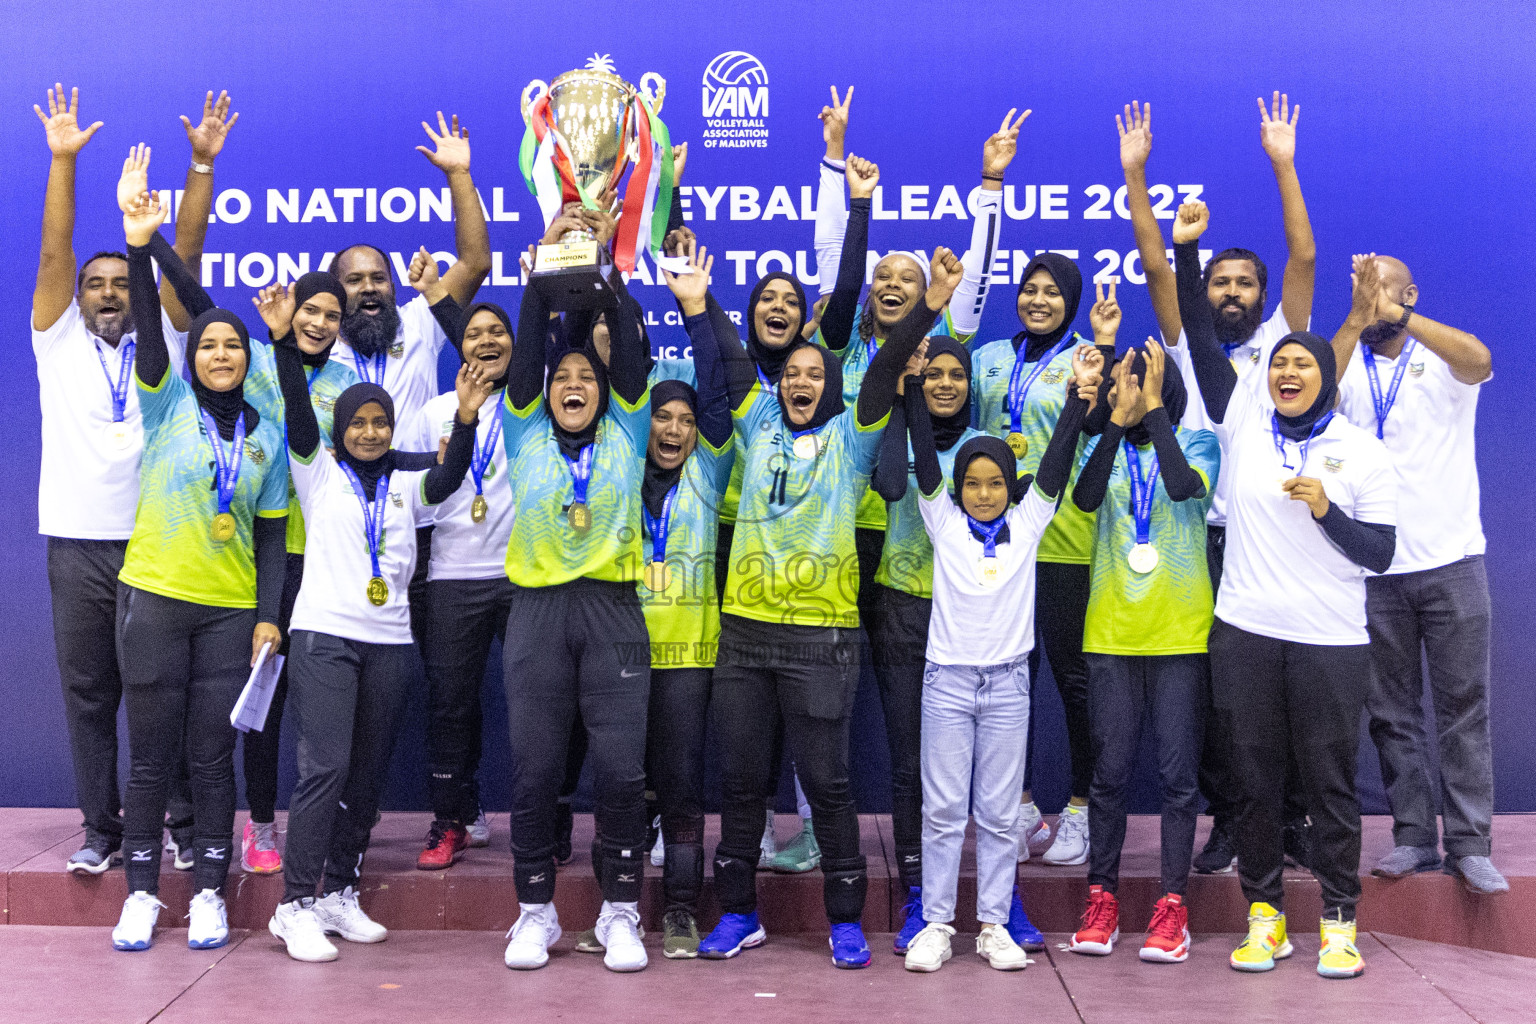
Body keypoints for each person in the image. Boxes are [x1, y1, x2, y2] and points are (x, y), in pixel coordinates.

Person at [696, 219, 965, 969]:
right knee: (743, 783)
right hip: (745, 633)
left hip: (823, 636)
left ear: (833, 385)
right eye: (793, 374)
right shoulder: (754, 419)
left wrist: (931, 306)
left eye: (815, 374)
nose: (801, 382)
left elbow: (881, 379)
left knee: (829, 781)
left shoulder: (854, 435)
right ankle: (740, 913)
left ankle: (844, 919)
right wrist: (697, 300)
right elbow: (725, 349)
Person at [1174, 200, 1397, 980]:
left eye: (1303, 363)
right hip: (1246, 632)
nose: (1289, 372)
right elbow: (1201, 336)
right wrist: (1186, 252)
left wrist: (1327, 510)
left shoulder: (1362, 455)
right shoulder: (1239, 417)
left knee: (1331, 788)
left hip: (1331, 641)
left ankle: (1339, 920)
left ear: (1324, 376)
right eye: (1279, 365)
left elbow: (1380, 552)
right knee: (1253, 786)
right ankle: (1263, 916)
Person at [803, 107, 1023, 876]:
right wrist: (836, 163)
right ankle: (804, 823)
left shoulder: (940, 348)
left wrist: (990, 185)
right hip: (834, 538)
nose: (897, 285)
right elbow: (837, 258)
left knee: (913, 713)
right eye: (885, 279)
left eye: (912, 279)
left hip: (904, 545)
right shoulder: (836, 343)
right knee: (816, 687)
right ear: (869, 296)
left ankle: (946, 854)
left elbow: (975, 277)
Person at [1117, 96, 1318, 874]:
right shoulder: (1181, 334)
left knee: (1288, 686)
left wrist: (1282, 162)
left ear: (1261, 296)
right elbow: (1155, 257)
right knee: (1210, 697)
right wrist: (1136, 175)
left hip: (1276, 533)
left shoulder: (1283, 343)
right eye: (1221, 282)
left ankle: (1290, 820)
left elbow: (1302, 257)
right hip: (1196, 536)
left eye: (1243, 283)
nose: (1230, 292)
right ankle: (1229, 821)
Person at [31, 85, 228, 876]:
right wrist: (63, 161)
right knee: (90, 696)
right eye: (98, 284)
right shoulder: (55, 338)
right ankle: (98, 830)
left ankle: (178, 822)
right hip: (77, 545)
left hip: (158, 545)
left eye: (121, 283)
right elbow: (55, 248)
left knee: (161, 693)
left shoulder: (167, 346)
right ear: (77, 297)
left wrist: (202, 167)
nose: (111, 293)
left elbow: (183, 254)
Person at [263, 305, 490, 963]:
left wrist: (468, 417)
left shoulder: (409, 480)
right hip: (326, 637)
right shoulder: (317, 470)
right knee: (324, 769)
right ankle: (294, 905)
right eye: (358, 422)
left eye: (380, 422)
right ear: (340, 430)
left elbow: (448, 478)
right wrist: (281, 343)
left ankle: (340, 892)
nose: (369, 431)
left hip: (390, 643)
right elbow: (298, 409)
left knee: (365, 779)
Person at [146, 185, 360, 880]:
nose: (322, 321)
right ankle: (259, 827)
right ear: (292, 307)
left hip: (320, 559)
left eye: (334, 314)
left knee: (318, 705)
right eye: (313, 309)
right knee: (259, 704)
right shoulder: (252, 352)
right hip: (254, 556)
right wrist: (149, 240)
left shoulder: (350, 379)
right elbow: (196, 298)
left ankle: (325, 830)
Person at [110, 187, 289, 952]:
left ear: (248, 361)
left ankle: (211, 893)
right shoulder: (164, 401)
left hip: (227, 612)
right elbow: (154, 326)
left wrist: (267, 615)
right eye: (210, 344)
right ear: (194, 356)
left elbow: (275, 539)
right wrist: (143, 244)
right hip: (154, 597)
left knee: (214, 758)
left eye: (234, 346)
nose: (221, 353)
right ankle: (144, 895)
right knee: (152, 759)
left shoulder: (266, 436)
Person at [901, 343, 1103, 974]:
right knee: (941, 810)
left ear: (1009, 487)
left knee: (996, 814)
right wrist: (910, 386)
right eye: (971, 483)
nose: (983, 494)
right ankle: (936, 924)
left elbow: (1057, 466)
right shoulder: (940, 518)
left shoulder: (1032, 519)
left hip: (1010, 686)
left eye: (994, 483)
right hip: (948, 685)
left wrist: (1078, 395)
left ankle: (991, 925)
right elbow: (922, 451)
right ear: (955, 488)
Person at [497, 246, 655, 975]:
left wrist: (612, 273)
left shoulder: (627, 427)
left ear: (605, 391)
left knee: (621, 774)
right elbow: (529, 356)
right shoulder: (523, 428)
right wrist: (536, 285)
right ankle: (534, 914)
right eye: (561, 377)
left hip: (614, 611)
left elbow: (623, 351)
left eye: (584, 377)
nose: (572, 384)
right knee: (534, 773)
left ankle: (621, 911)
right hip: (536, 614)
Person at [1331, 256, 1504, 894]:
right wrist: (1358, 313)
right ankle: (1411, 836)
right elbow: (1317, 389)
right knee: (1391, 711)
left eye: (1387, 287)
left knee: (1463, 708)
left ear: (1411, 294)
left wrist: (1398, 314)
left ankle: (1469, 843)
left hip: (1454, 560)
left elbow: (1480, 358)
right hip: (1373, 568)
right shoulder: (1345, 367)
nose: (1375, 297)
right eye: (1363, 285)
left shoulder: (1441, 362)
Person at [1066, 341, 1220, 963]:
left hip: (1181, 633)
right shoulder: (1100, 445)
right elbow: (1083, 499)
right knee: (1108, 777)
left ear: (1167, 390)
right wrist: (1117, 423)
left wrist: (1154, 410)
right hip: (1110, 632)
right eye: (1123, 383)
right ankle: (1101, 898)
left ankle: (1172, 908)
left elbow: (1185, 488)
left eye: (1144, 381)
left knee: (1179, 781)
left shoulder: (1199, 444)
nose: (1131, 389)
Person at [971, 258, 1119, 866]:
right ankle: (1023, 803)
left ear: (1072, 302)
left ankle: (1081, 810)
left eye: (1052, 293)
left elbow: (1104, 422)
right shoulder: (987, 360)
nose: (1038, 301)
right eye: (1029, 290)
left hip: (1066, 543)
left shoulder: (1089, 358)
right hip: (999, 547)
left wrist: (1106, 348)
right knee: (1010, 681)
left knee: (1075, 683)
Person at [395, 250, 516, 870]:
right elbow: (415, 502)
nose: (486, 341)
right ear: (456, 345)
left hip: (523, 578)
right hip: (451, 577)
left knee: (536, 704)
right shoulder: (433, 411)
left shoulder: (531, 406)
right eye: (473, 333)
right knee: (450, 705)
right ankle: (452, 819)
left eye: (498, 333)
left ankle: (540, 817)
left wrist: (441, 294)